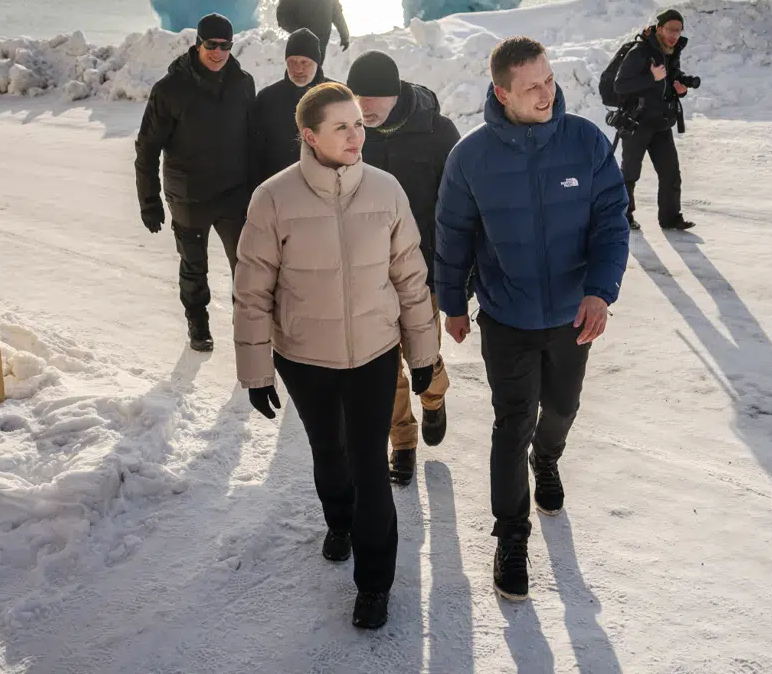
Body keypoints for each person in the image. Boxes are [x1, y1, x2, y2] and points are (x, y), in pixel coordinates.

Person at [234, 82, 440, 631]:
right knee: (329, 452)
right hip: (304, 357)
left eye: (359, 123)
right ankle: (339, 521)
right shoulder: (273, 198)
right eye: (342, 127)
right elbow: (252, 291)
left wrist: (424, 354)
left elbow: (411, 280)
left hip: (374, 352)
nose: (357, 135)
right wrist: (256, 371)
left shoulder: (386, 189)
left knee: (371, 466)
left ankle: (375, 583)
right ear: (310, 135)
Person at [434, 36, 630, 601]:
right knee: (510, 421)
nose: (547, 93)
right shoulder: (470, 157)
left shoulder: (585, 141)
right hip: (507, 316)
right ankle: (511, 537)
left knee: (563, 407)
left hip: (573, 316)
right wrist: (452, 301)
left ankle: (547, 460)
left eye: (549, 80)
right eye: (532, 87)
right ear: (502, 93)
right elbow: (453, 234)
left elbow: (611, 222)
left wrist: (600, 292)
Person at [346, 50, 459, 487]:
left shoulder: (437, 132)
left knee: (421, 353)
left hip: (421, 270)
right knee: (382, 364)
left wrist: (459, 272)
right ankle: (402, 440)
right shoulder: (349, 132)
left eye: (375, 97)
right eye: (359, 96)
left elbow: (460, 208)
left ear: (396, 94)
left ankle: (434, 398)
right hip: (365, 273)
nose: (365, 106)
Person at [135, 13, 256, 352]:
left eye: (226, 46)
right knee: (194, 266)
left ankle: (245, 324)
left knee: (246, 265)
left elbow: (252, 139)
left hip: (233, 193)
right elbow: (147, 148)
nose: (218, 52)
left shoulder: (243, 84)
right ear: (198, 43)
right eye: (211, 45)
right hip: (189, 196)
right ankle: (198, 322)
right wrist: (149, 200)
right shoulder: (169, 90)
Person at [612, 8, 701, 232]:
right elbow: (619, 85)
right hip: (637, 122)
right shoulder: (640, 52)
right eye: (670, 29)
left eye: (678, 31)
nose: (674, 35)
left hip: (661, 122)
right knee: (630, 173)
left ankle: (670, 218)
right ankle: (624, 216)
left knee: (671, 172)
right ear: (659, 29)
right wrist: (651, 77)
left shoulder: (671, 52)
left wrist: (679, 89)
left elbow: (668, 81)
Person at [250, 28, 332, 182]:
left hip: (326, 186)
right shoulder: (267, 98)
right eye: (292, 62)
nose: (298, 69)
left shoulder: (335, 96)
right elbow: (255, 153)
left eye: (304, 62)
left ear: (317, 62)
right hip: (279, 187)